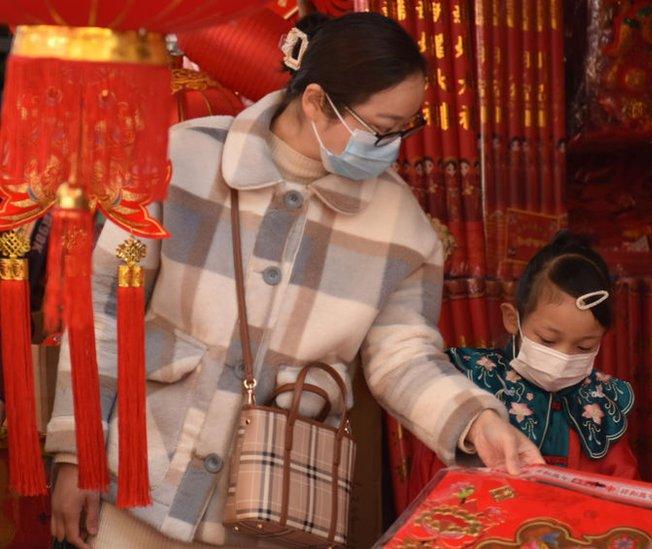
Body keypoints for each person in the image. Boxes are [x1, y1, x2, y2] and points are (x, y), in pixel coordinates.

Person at [48, 12, 542, 549]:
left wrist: (474, 421)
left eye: (405, 128)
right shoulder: (177, 160)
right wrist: (79, 453)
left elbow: (405, 357)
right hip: (137, 489)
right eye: (380, 127)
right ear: (314, 101)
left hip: (276, 514)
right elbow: (103, 309)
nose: (392, 144)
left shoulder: (403, 228)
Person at [409, 232, 639, 494]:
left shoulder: (601, 403)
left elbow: (624, 492)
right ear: (512, 319)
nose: (564, 358)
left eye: (584, 347)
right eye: (548, 340)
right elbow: (435, 489)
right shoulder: (470, 383)